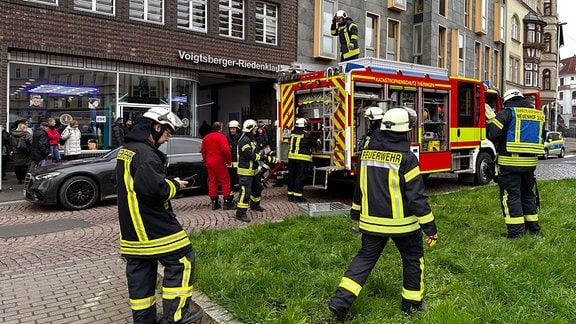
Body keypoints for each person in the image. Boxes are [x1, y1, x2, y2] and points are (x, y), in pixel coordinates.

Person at [328, 107, 438, 320]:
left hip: (371, 223)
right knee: (413, 259)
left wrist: (356, 211)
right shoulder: (406, 158)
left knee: (364, 259)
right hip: (403, 226)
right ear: (406, 130)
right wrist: (430, 227)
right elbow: (416, 198)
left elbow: (359, 185)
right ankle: (412, 305)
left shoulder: (367, 153)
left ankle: (340, 302)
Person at [115, 106, 202, 324]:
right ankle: (176, 318)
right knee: (183, 260)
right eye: (167, 132)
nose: (167, 138)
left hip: (132, 233)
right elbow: (155, 191)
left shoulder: (127, 150)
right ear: (156, 127)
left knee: (141, 276)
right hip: (153, 227)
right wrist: (174, 185)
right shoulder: (146, 154)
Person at [486, 89, 545, 238]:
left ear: (507, 101)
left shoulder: (507, 113)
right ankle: (533, 229)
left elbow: (493, 134)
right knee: (528, 196)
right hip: (530, 165)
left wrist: (492, 118)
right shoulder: (538, 114)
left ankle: (516, 233)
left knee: (511, 197)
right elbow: (541, 137)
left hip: (510, 164)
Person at [235, 119, 276, 222]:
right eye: (255, 128)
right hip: (245, 172)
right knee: (246, 192)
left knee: (257, 188)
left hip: (253, 171)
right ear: (250, 129)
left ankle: (255, 205)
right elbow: (250, 155)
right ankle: (240, 213)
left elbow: (257, 149)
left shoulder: (252, 138)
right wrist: (263, 157)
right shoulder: (243, 140)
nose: (257, 129)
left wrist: (267, 154)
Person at [201, 121, 234, 210]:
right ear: (220, 128)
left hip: (210, 161)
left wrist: (206, 161)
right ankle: (227, 203)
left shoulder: (206, 137)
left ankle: (214, 202)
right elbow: (226, 150)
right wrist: (228, 160)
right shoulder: (221, 137)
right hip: (219, 161)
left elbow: (203, 151)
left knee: (212, 181)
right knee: (225, 181)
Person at [287, 118, 320, 203]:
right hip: (302, 159)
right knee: (300, 177)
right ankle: (298, 197)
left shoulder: (293, 133)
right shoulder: (307, 135)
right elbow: (314, 144)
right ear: (304, 125)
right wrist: (318, 140)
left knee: (292, 177)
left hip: (291, 158)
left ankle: (290, 196)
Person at [227, 120, 241, 193]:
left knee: (240, 181)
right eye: (231, 129)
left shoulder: (241, 138)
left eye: (234, 129)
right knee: (230, 182)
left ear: (237, 129)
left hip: (239, 163)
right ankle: (230, 198)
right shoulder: (227, 138)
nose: (232, 130)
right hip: (230, 164)